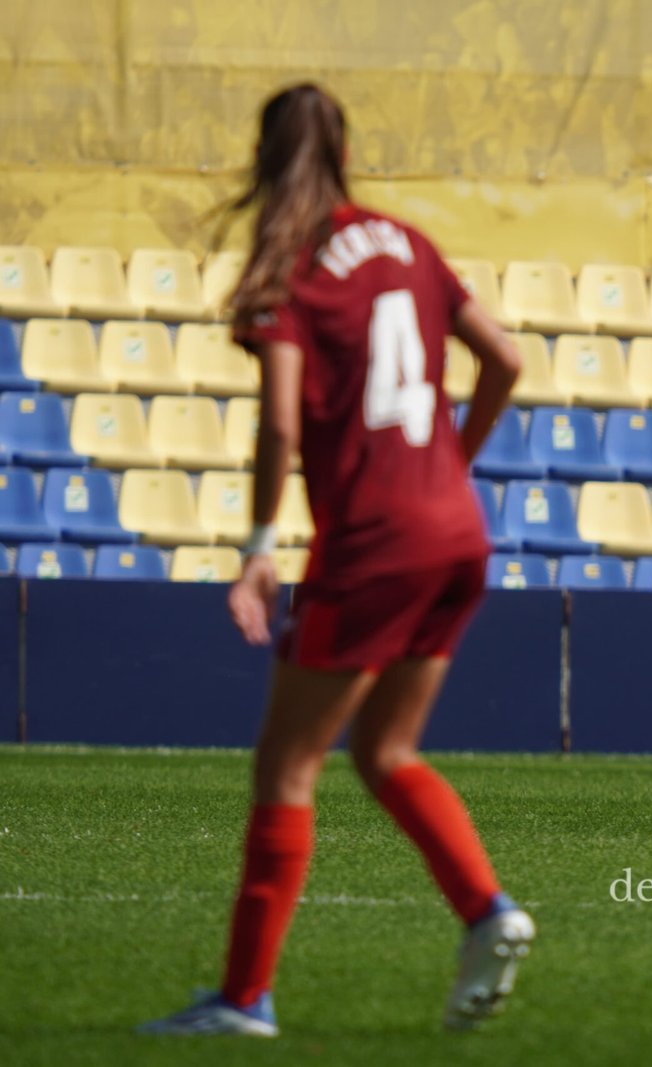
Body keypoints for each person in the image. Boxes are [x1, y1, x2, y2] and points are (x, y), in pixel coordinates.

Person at [140, 84, 532, 1037]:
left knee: (286, 763)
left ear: (266, 158)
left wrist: (259, 546)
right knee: (386, 750)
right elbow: (507, 360)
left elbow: (279, 419)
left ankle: (243, 1000)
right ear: (347, 148)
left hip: (378, 541)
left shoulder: (286, 268)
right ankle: (489, 914)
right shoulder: (406, 241)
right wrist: (452, 462)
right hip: (457, 531)